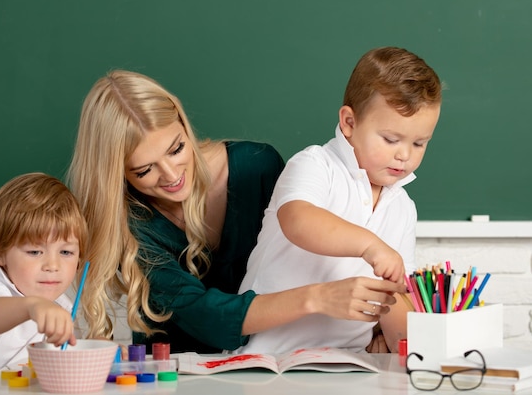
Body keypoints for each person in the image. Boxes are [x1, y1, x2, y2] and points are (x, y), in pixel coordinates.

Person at [67, 70, 407, 354]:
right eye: (144, 171)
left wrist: (376, 329)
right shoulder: (130, 224)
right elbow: (205, 318)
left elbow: (313, 255)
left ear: (185, 126)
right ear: (117, 175)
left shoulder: (255, 167)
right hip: (178, 374)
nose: (172, 176)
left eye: (176, 148)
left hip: (279, 362)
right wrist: (319, 298)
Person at [237, 46, 442, 354]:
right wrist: (371, 246)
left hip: (349, 363)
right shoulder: (315, 164)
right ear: (349, 123)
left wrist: (412, 340)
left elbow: (396, 294)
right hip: (268, 357)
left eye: (419, 143)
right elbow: (298, 220)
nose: (405, 154)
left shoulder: (402, 207)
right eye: (390, 139)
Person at [0, 173, 88, 395]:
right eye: (34, 251)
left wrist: (108, 361)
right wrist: (31, 306)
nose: (53, 265)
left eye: (66, 252)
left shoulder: (60, 305)